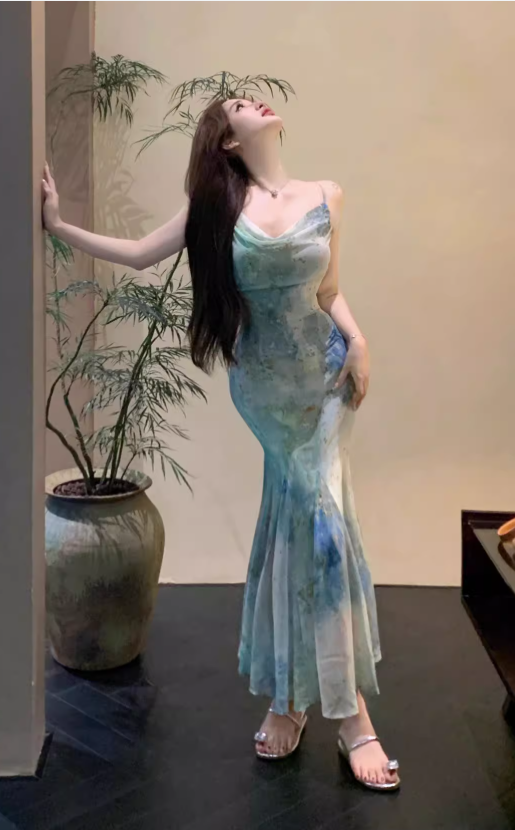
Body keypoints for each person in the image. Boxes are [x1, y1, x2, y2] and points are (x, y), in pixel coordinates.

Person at [42, 97, 400, 791]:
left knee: (321, 527)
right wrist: (58, 226)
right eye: (237, 104)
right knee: (302, 525)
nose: (254, 100)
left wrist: (357, 340)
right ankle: (311, 703)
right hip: (266, 390)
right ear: (228, 140)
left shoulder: (325, 195)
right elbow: (140, 254)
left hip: (326, 381)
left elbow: (328, 289)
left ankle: (322, 706)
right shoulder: (218, 207)